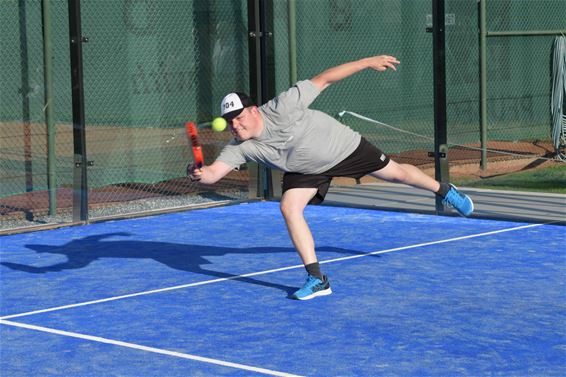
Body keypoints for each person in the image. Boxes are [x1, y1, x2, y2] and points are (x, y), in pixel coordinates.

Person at [187, 55, 474, 300]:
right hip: (305, 170)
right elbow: (213, 174)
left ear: (252, 110)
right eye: (231, 122)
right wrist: (198, 172)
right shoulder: (239, 147)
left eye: (240, 118)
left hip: (342, 147)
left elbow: (324, 79)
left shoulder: (282, 106)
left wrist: (367, 62)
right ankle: (317, 279)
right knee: (288, 207)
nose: (236, 126)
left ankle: (443, 189)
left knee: (397, 174)